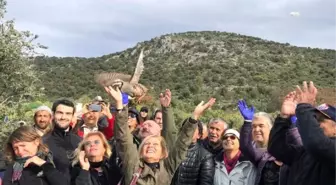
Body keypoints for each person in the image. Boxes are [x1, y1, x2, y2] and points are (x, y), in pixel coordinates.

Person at [105, 85, 215, 185]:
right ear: (141, 150)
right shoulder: (132, 164)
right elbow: (124, 138)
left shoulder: (167, 168)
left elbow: (182, 144)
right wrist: (120, 105)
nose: (151, 146)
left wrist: (194, 116)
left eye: (155, 144)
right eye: (147, 144)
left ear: (163, 152)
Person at [268, 81, 336, 185]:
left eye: (320, 120)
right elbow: (276, 148)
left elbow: (316, 144)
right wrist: (283, 118)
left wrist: (304, 107)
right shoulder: (304, 152)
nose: (315, 123)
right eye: (313, 119)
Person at [238, 100, 301, 185]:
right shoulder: (262, 156)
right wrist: (247, 122)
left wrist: (292, 127)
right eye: (254, 126)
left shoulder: (291, 152)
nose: (256, 129)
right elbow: (245, 147)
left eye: (261, 126)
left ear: (271, 128)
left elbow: (300, 147)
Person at [2, 126, 68, 185]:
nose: (20, 151)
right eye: (15, 148)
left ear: (36, 142)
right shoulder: (14, 168)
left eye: (23, 145)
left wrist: (44, 165)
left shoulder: (53, 159)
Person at [43, 99, 81, 180]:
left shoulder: (80, 142)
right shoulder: (43, 142)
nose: (63, 117)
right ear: (53, 114)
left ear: (72, 116)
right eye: (60, 113)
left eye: (68, 114)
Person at [171, 121, 214, 185]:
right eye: (186, 128)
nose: (188, 131)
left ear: (199, 135)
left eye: (192, 129)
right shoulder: (172, 150)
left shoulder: (205, 156)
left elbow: (205, 182)